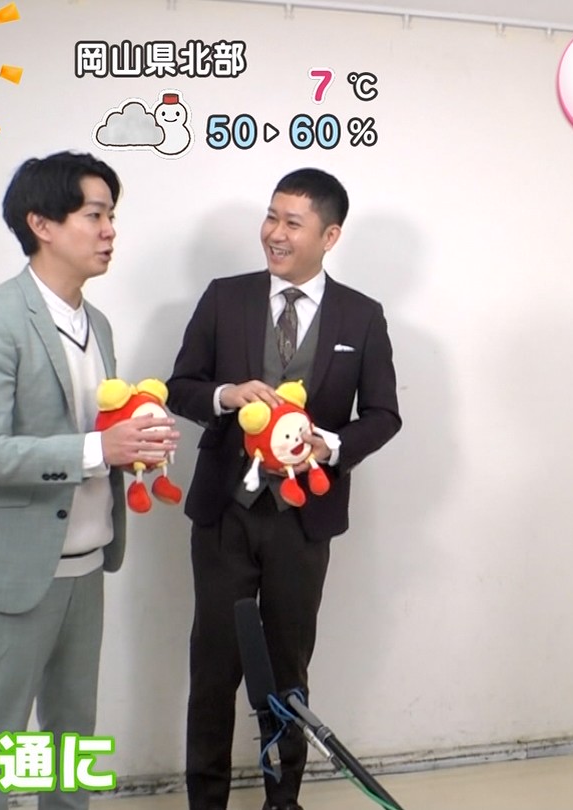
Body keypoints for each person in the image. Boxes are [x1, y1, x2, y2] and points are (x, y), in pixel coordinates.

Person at [0, 151, 178, 809]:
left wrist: (137, 445)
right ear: (41, 224)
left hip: (87, 564)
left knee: (73, 740)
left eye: (111, 216)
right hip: (12, 571)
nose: (110, 231)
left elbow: (94, 432)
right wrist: (101, 447)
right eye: (94, 215)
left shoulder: (96, 325)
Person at [167, 168, 401, 810]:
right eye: (271, 217)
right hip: (225, 512)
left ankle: (282, 799)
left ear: (330, 235)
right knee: (213, 666)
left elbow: (384, 415)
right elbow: (181, 386)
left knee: (288, 669)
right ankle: (206, 802)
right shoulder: (225, 298)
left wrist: (332, 445)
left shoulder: (362, 316)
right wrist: (225, 394)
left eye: (292, 222)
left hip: (304, 519)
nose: (274, 232)